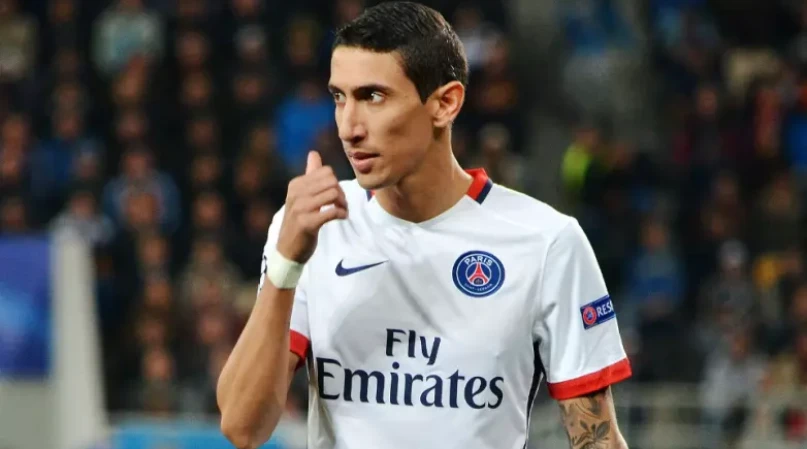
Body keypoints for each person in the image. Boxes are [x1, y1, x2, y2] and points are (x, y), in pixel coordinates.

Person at [216, 3, 632, 449]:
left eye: (373, 97)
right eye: (340, 97)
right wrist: (285, 265)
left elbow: (597, 439)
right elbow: (243, 428)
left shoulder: (546, 242)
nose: (349, 127)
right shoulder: (315, 226)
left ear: (445, 103)